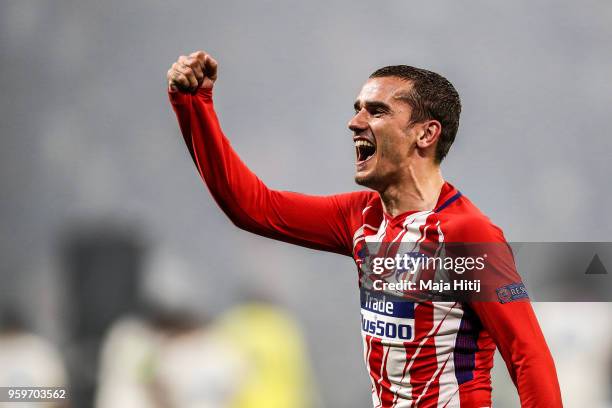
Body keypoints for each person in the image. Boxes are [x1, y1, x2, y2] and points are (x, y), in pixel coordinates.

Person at [166, 50, 563, 407]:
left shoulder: (465, 236)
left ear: (426, 133)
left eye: (376, 111)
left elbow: (527, 355)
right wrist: (194, 105)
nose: (354, 122)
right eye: (358, 108)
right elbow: (253, 208)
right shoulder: (362, 218)